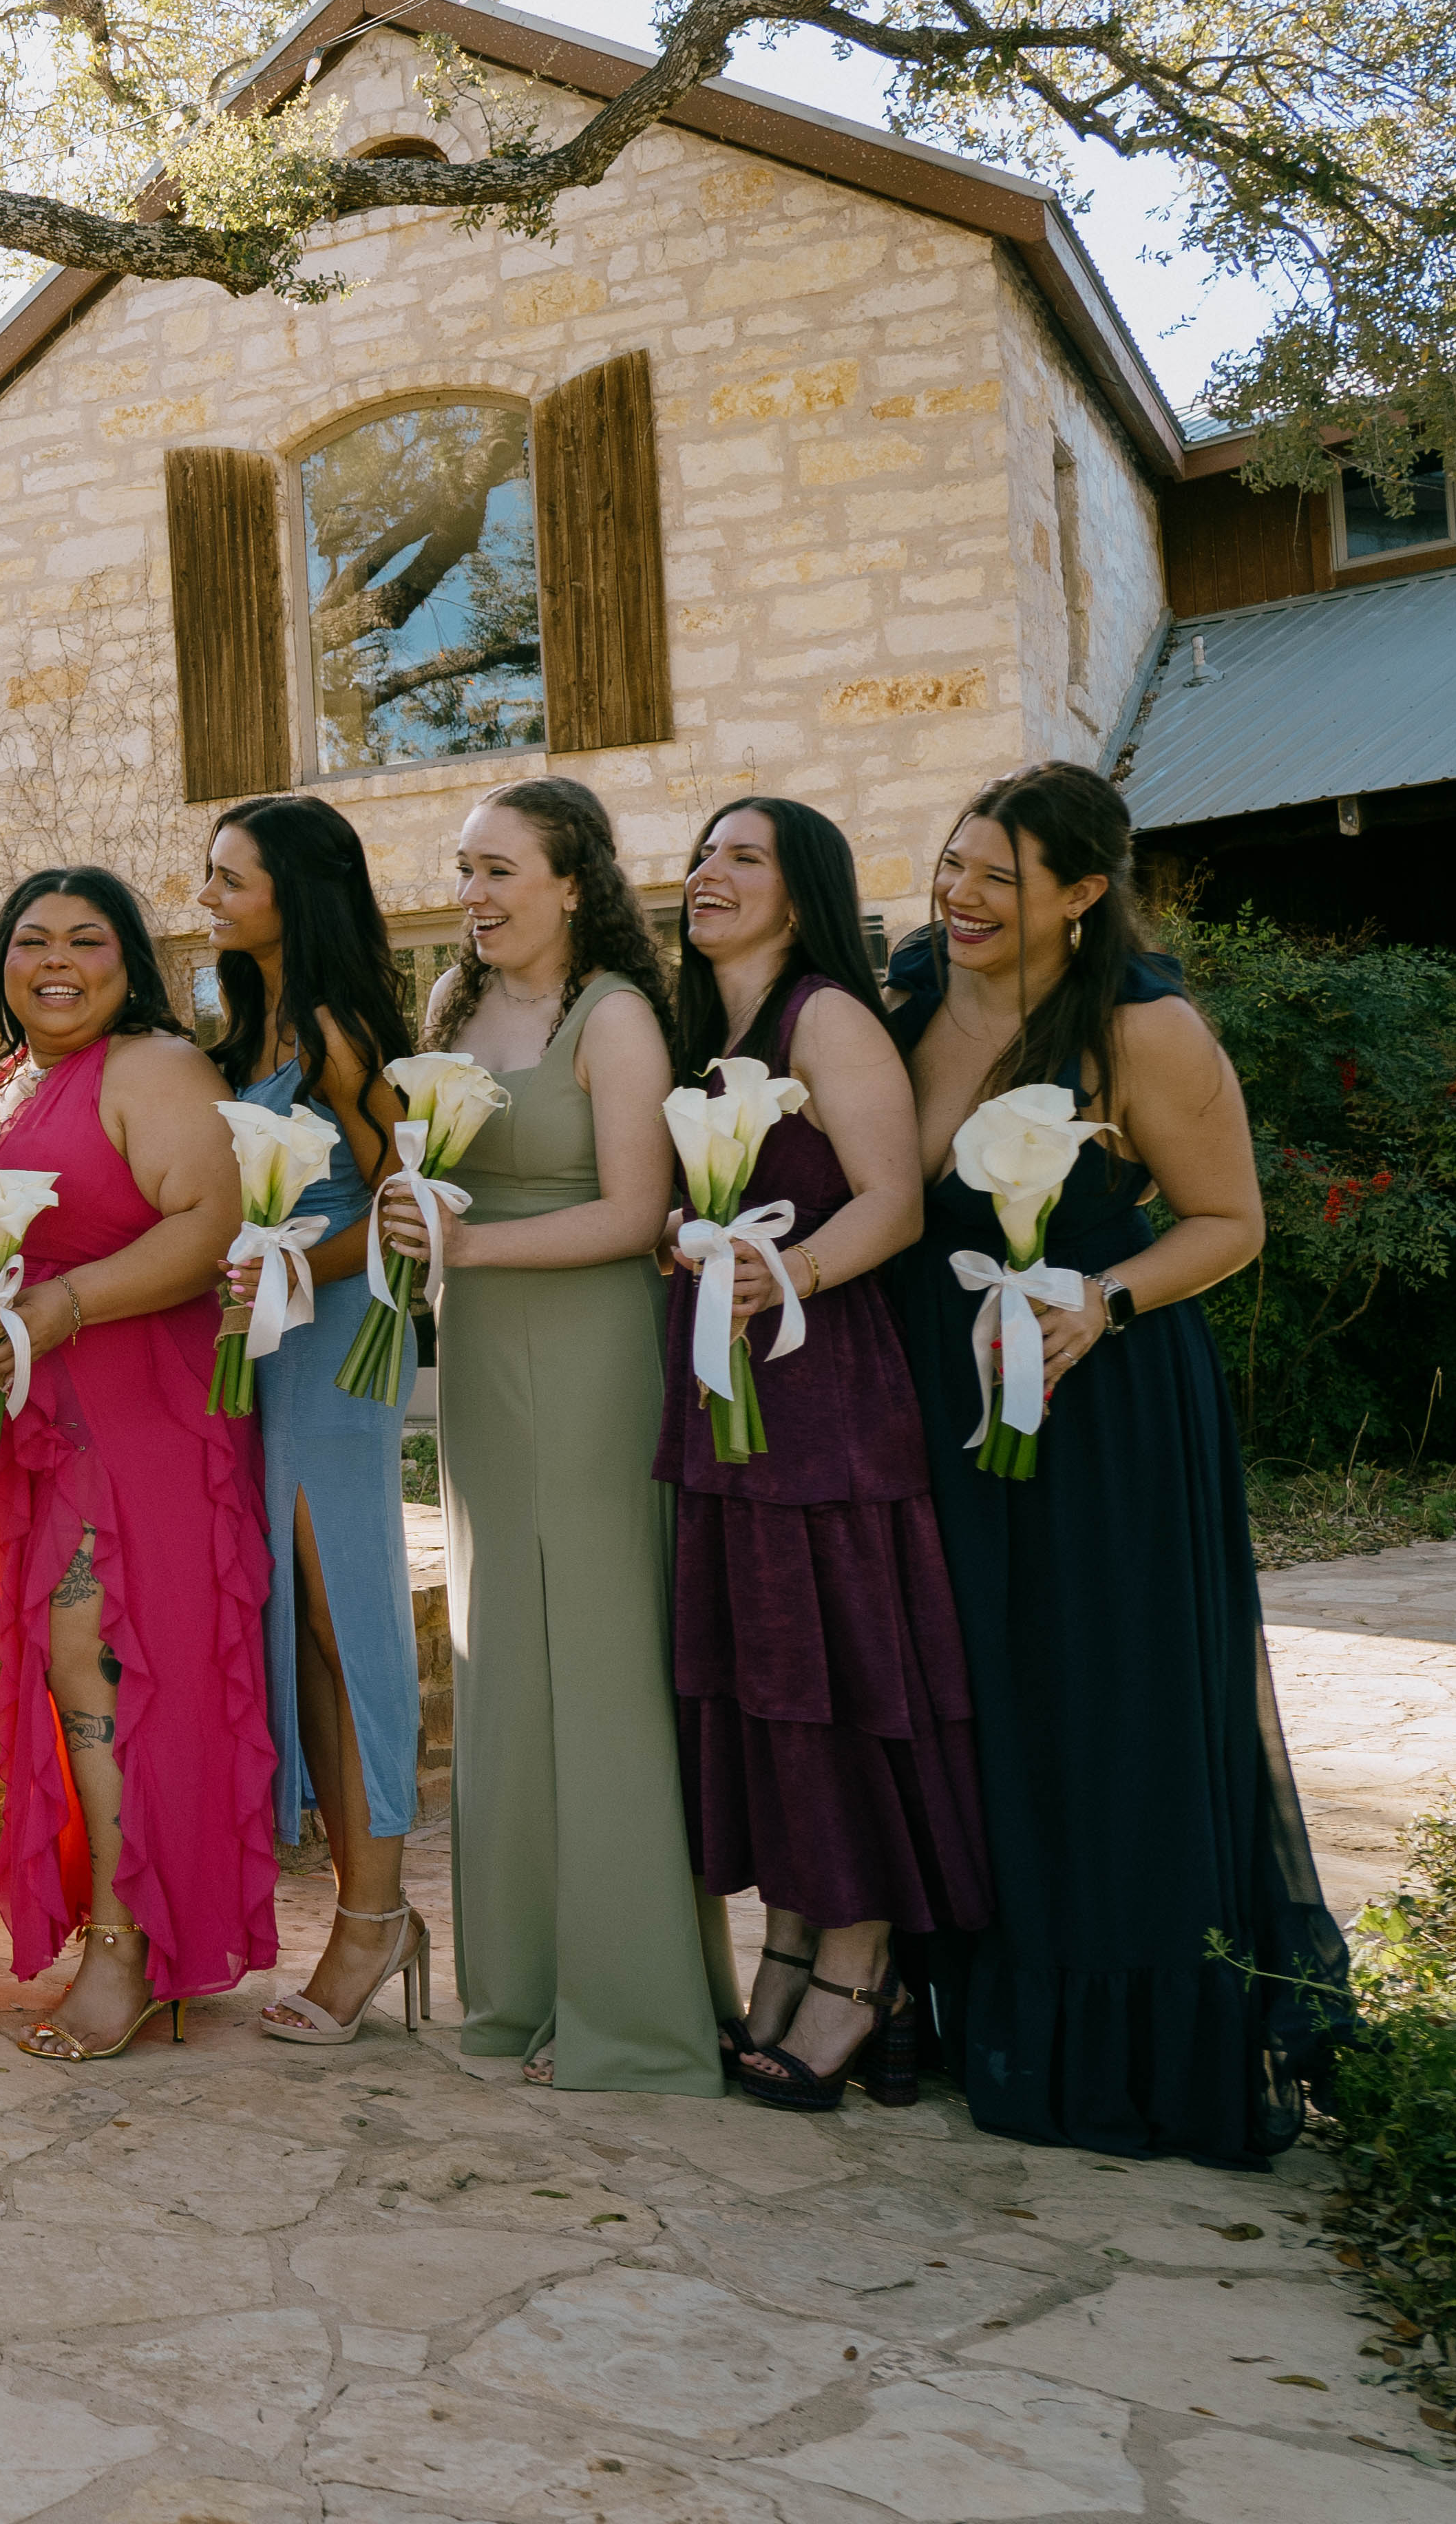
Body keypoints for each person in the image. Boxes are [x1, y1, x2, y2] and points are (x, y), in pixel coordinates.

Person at [884, 761, 1344, 2165]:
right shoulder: (907, 993)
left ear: (1084, 894)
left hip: (1102, 1411)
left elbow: (1231, 1219)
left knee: (1107, 1708)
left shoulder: (1144, 1027)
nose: (961, 894)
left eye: (999, 877)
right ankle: (985, 2010)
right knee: (983, 1702)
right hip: (943, 1412)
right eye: (953, 863)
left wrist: (1105, 1298)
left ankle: (1136, 2042)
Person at [377, 777, 733, 2094]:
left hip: (592, 1354)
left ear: (574, 880)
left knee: (595, 1667)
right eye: (464, 870)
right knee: (501, 1674)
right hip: (480, 1366)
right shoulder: (451, 1014)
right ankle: (519, 1990)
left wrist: (471, 1243)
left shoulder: (618, 1019)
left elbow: (643, 1214)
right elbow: (425, 1182)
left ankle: (629, 2012)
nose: (473, 895)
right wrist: (414, 1228)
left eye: (499, 871)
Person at [657, 795, 991, 2110]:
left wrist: (771, 1275)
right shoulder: (712, 1037)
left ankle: (863, 1969)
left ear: (805, 896)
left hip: (820, 1398)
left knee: (839, 1676)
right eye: (702, 855)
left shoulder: (825, 1017)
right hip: (722, 1404)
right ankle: (794, 1934)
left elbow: (896, 1202)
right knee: (766, 1682)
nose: (708, 874)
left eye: (745, 858)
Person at [0, 865, 273, 2059]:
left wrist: (63, 1306)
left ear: (129, 963)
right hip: (43, 1424)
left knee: (106, 1664)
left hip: (145, 1412)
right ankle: (126, 1925)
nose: (57, 961)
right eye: (31, 939)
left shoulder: (153, 1069)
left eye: (87, 941)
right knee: (69, 1674)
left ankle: (129, 1947)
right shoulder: (2, 1082)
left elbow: (207, 1226)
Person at [197, 794, 428, 2046]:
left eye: (232, 878)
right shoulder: (247, 1030)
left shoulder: (341, 1033)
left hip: (334, 1351)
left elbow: (402, 1204)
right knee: (307, 1633)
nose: (211, 896)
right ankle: (363, 1905)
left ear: (296, 888)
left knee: (353, 1622)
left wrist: (293, 1272)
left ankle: (377, 1919)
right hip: (264, 1349)